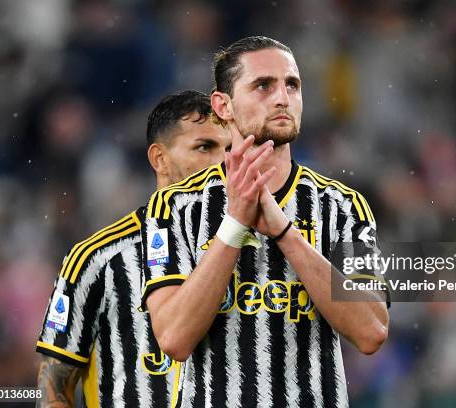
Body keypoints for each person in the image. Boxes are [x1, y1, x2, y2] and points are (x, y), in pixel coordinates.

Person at [140, 36, 390, 407]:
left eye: (292, 85)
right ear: (222, 105)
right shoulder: (174, 206)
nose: (282, 98)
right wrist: (235, 223)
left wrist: (286, 232)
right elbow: (175, 338)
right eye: (263, 85)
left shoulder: (342, 206)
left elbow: (371, 330)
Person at [35, 91, 231, 407]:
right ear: (159, 159)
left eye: (230, 149)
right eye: (205, 147)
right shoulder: (96, 260)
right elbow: (52, 391)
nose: (224, 162)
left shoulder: (254, 252)